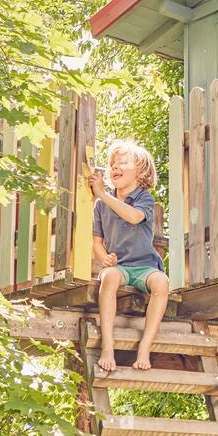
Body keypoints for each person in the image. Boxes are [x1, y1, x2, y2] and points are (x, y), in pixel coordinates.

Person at [89, 139, 169, 373]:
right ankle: (108, 345)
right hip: (120, 267)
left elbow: (133, 217)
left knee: (161, 283)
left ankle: (145, 346)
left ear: (141, 172)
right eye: (112, 163)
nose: (115, 166)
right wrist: (104, 258)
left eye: (123, 162)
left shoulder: (144, 198)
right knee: (110, 277)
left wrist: (102, 194)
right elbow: (97, 242)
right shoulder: (100, 206)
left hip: (145, 266)